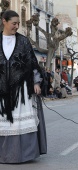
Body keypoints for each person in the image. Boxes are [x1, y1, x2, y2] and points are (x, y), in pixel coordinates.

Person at [0, 10, 47, 163]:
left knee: (19, 123)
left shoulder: (23, 41)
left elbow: (33, 64)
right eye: (14, 23)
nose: (17, 26)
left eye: (18, 23)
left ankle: (23, 154)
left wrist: (36, 82)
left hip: (21, 91)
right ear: (4, 21)